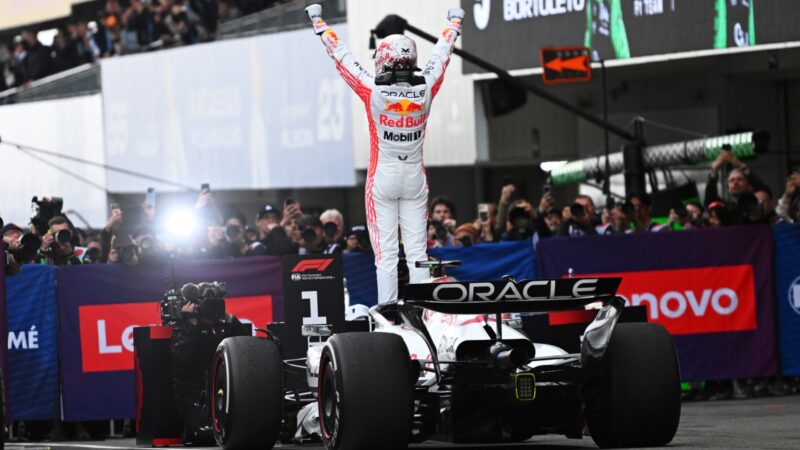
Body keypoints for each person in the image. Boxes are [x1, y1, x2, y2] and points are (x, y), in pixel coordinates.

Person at [306, 4, 464, 303]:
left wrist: (319, 23)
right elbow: (441, 56)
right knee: (418, 252)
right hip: (415, 180)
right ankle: (425, 310)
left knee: (387, 255)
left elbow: (343, 59)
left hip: (382, 180)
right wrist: (453, 24)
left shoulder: (372, 89)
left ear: (384, 60)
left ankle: (389, 315)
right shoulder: (426, 87)